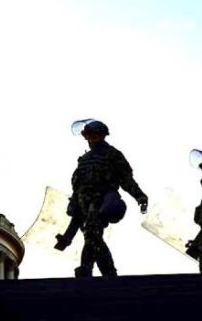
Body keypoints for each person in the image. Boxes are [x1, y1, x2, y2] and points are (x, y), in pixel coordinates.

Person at [55, 119, 148, 277]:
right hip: (83, 203)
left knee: (91, 233)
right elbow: (77, 185)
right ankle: (90, 269)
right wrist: (74, 205)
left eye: (92, 135)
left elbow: (126, 179)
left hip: (102, 202)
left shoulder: (112, 155)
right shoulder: (84, 159)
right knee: (91, 236)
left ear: (101, 135)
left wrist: (139, 195)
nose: (89, 138)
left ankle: (101, 270)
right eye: (87, 135)